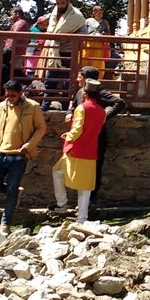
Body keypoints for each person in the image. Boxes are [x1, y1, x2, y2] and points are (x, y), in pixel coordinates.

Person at [63, 65, 125, 218]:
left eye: (79, 77)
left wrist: (103, 117)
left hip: (97, 137)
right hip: (80, 138)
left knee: (95, 169)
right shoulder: (80, 92)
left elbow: (120, 103)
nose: (77, 79)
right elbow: (74, 105)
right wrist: (70, 113)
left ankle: (90, 202)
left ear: (86, 78)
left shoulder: (100, 92)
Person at [0, 79, 47, 235]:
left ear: (21, 93)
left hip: (19, 155)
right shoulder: (1, 107)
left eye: (13, 95)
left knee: (12, 190)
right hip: (0, 153)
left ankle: (5, 223)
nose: (10, 98)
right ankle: (14, 192)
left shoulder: (32, 106)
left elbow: (41, 128)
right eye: (7, 95)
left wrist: (27, 147)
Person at [50, 79, 105, 222]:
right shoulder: (102, 112)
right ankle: (82, 217)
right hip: (91, 150)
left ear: (85, 93)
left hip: (76, 149)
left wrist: (68, 136)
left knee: (57, 172)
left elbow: (77, 129)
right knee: (85, 185)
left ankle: (62, 204)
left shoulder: (82, 108)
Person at [36, 0, 87, 106]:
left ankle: (65, 109)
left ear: (68, 2)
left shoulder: (76, 16)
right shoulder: (54, 13)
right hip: (54, 51)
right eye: (58, 3)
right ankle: (44, 108)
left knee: (66, 82)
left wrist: (69, 38)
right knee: (50, 80)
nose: (60, 5)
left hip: (68, 52)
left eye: (62, 3)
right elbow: (52, 31)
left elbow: (84, 33)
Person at [0, 6, 31, 92]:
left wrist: (7, 51)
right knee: (14, 71)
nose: (10, 17)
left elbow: (13, 39)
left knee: (13, 71)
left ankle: (26, 82)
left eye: (11, 14)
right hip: (17, 52)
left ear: (17, 14)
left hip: (14, 53)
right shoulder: (22, 23)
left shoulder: (19, 24)